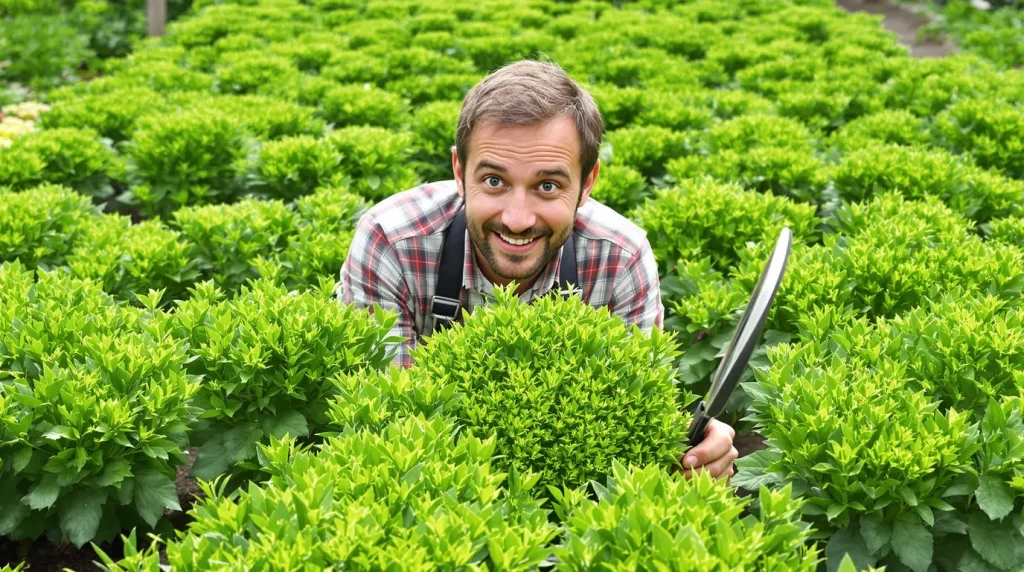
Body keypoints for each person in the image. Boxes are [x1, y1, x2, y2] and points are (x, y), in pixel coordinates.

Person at [337, 59, 738, 481]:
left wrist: (684, 445)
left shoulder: (620, 257)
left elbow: (632, 419)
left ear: (587, 183)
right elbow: (384, 423)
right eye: (494, 180)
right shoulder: (392, 241)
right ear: (459, 171)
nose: (517, 219)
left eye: (547, 186)